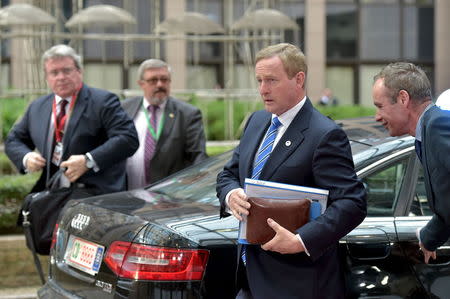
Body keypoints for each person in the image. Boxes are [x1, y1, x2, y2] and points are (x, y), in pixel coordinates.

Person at [216, 43, 367, 299]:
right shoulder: (257, 121)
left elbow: (353, 202)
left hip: (297, 284)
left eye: (272, 80)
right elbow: (227, 175)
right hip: (248, 277)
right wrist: (231, 196)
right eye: (259, 80)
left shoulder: (325, 134)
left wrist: (300, 240)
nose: (263, 89)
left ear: (299, 79)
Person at [5, 44, 139, 195]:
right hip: (52, 193)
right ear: (47, 78)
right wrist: (26, 157)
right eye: (54, 72)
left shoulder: (103, 101)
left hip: (94, 195)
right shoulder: (37, 107)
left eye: (66, 70)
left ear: (80, 71)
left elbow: (128, 138)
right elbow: (13, 140)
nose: (61, 77)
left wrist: (88, 161)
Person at [372, 62, 450, 264]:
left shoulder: (438, 125)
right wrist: (429, 237)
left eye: (380, 106)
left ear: (403, 98)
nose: (377, 117)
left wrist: (430, 235)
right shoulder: (427, 132)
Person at [122, 59, 208, 189]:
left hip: (168, 198)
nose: (159, 84)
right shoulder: (124, 108)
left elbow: (198, 155)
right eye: (153, 80)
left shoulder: (188, 114)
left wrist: (190, 187)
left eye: (164, 79)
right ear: (141, 84)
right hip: (126, 193)